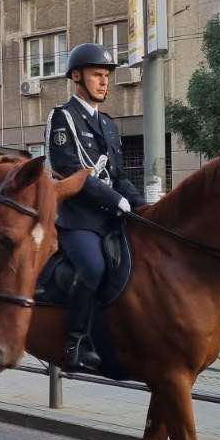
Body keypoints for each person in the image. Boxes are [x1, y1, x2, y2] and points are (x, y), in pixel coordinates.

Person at [45, 42, 144, 373]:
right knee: (93, 267)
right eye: (97, 75)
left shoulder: (109, 125)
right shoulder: (64, 118)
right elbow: (67, 168)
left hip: (110, 220)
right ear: (76, 76)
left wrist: (145, 207)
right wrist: (114, 199)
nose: (104, 82)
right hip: (77, 219)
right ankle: (74, 342)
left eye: (106, 76)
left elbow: (119, 176)